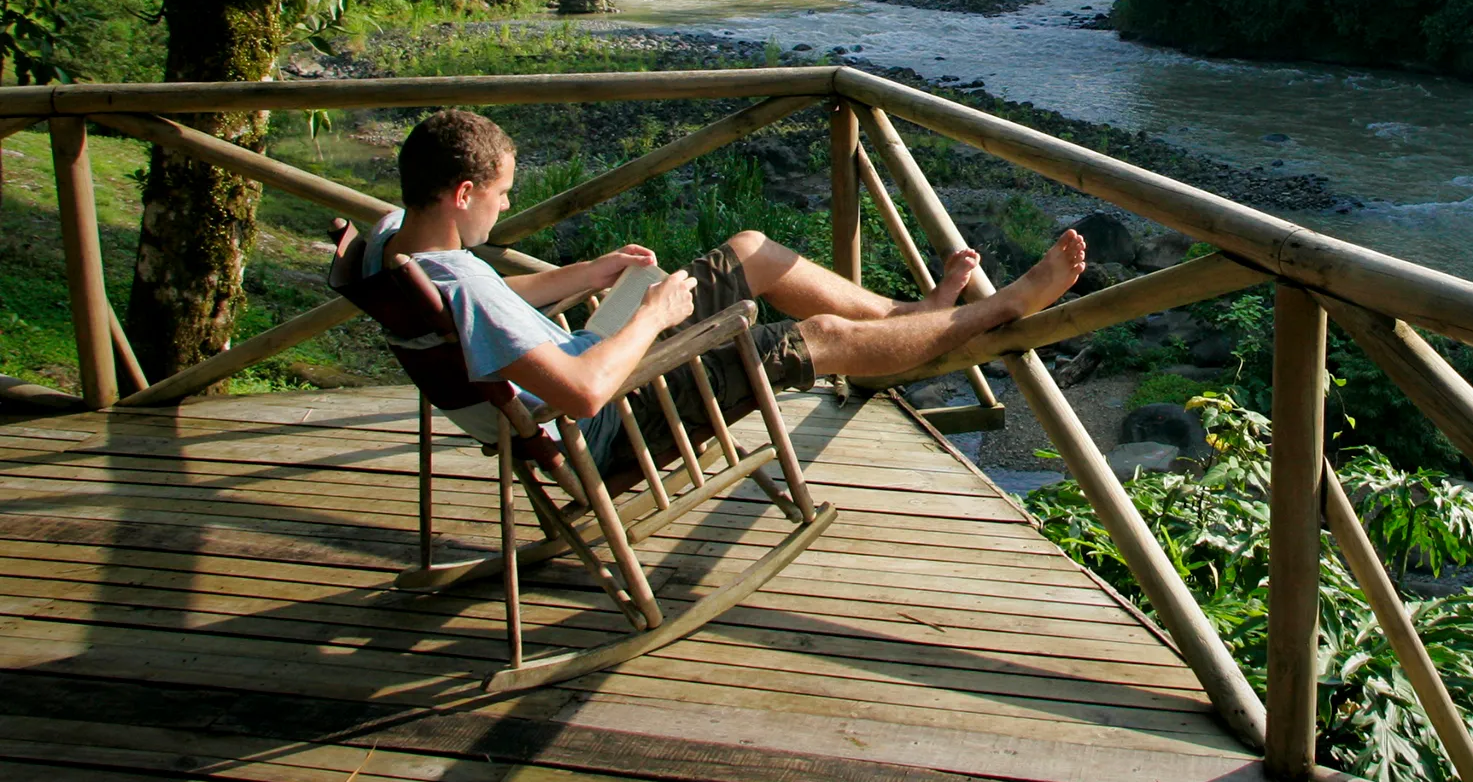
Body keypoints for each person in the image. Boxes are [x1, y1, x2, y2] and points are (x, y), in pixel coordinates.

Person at [367, 110, 1085, 470]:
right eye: (501, 194)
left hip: (598, 361)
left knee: (750, 250)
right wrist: (652, 316)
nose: (505, 206)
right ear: (463, 193)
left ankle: (913, 315)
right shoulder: (458, 284)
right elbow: (583, 392)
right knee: (822, 338)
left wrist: (584, 276)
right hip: (612, 419)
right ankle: (1002, 307)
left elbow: (493, 298)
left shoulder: (399, 244)